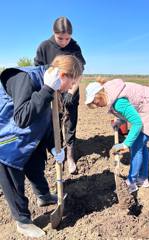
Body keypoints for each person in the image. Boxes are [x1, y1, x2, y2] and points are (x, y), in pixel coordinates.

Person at [0, 54, 82, 238]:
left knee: (36, 164)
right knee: (12, 178)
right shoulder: (25, 79)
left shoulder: (53, 89)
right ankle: (22, 220)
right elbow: (22, 118)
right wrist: (46, 90)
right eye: (71, 83)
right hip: (7, 138)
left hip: (28, 136)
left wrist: (54, 146)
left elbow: (46, 120)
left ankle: (43, 196)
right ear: (63, 75)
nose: (71, 88)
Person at [85, 79, 149, 193]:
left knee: (135, 145)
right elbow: (131, 108)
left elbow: (137, 123)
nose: (97, 106)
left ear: (99, 95)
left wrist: (126, 144)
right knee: (141, 145)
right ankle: (143, 178)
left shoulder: (118, 102)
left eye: (95, 102)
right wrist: (120, 121)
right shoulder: (111, 92)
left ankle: (131, 182)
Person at [34, 16, 86, 174]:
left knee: (70, 122)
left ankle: (70, 156)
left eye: (67, 38)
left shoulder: (75, 47)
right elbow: (40, 71)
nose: (64, 42)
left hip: (70, 90)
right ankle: (59, 152)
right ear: (53, 33)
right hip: (53, 93)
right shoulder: (44, 47)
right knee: (54, 123)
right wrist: (51, 93)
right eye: (60, 38)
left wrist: (71, 91)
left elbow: (79, 72)